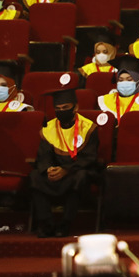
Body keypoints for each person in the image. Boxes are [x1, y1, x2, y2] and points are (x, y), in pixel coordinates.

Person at [30, 89, 98, 238]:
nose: (61, 111)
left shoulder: (88, 127)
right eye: (58, 109)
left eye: (65, 108)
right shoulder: (49, 128)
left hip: (76, 170)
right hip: (56, 170)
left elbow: (89, 158)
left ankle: (65, 224)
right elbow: (44, 154)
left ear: (75, 107)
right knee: (35, 175)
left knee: (81, 176)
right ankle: (46, 224)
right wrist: (49, 169)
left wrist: (66, 170)